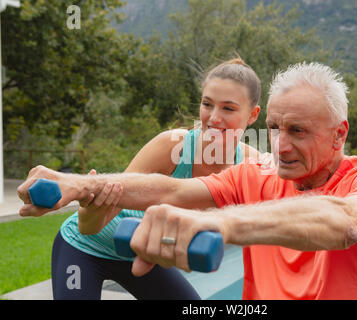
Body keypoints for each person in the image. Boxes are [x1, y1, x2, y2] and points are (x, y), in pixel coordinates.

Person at [18, 62, 357, 300]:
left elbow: (346, 222)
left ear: (339, 134)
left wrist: (220, 222)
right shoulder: (252, 173)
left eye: (298, 131)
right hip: (87, 246)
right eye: (275, 129)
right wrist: (77, 185)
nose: (282, 145)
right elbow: (171, 190)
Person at [45, 58, 262, 299]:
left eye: (228, 108)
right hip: (84, 247)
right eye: (207, 104)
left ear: (252, 115)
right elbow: (88, 227)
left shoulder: (252, 163)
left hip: (142, 255)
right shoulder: (173, 147)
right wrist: (93, 208)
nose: (213, 118)